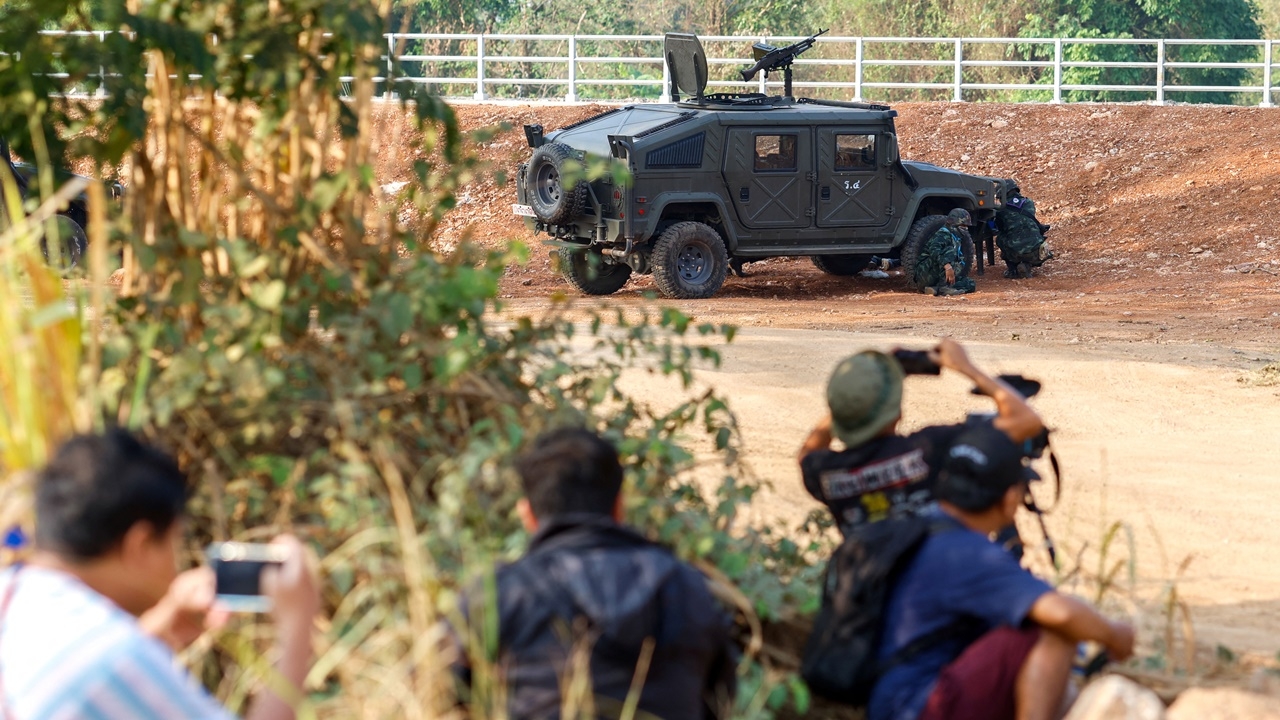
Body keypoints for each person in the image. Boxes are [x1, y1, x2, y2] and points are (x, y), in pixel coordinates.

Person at [0, 429, 320, 719]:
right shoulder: (111, 657)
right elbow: (100, 670)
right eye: (173, 542)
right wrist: (297, 628)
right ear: (140, 545)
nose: (176, 562)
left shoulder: (13, 594)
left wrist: (158, 629)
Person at [450, 427, 737, 719]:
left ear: (529, 516)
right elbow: (719, 703)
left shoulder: (502, 593)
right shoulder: (689, 588)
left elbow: (439, 696)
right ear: (619, 507)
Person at [869, 422, 1135, 720]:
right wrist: (1115, 634)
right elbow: (1063, 614)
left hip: (889, 701)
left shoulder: (919, 528)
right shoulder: (971, 553)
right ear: (1011, 499)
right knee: (1055, 630)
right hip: (923, 706)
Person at [798, 338, 1042, 537]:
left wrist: (849, 399)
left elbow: (807, 452)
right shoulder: (927, 448)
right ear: (897, 414)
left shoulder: (826, 472)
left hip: (873, 591)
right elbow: (1025, 421)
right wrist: (965, 366)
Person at [994, 180, 1053, 279]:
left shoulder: (1001, 210)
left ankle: (1012, 270)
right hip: (1036, 252)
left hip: (1015, 250)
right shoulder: (1029, 202)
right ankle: (1027, 265)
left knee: (1000, 239)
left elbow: (997, 228)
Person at [912, 208, 976, 296]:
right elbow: (934, 250)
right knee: (949, 251)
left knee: (970, 284)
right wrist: (948, 267)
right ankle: (943, 287)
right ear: (954, 224)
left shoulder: (956, 238)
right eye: (963, 226)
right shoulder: (942, 234)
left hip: (935, 276)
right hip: (925, 273)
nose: (966, 229)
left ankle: (936, 289)